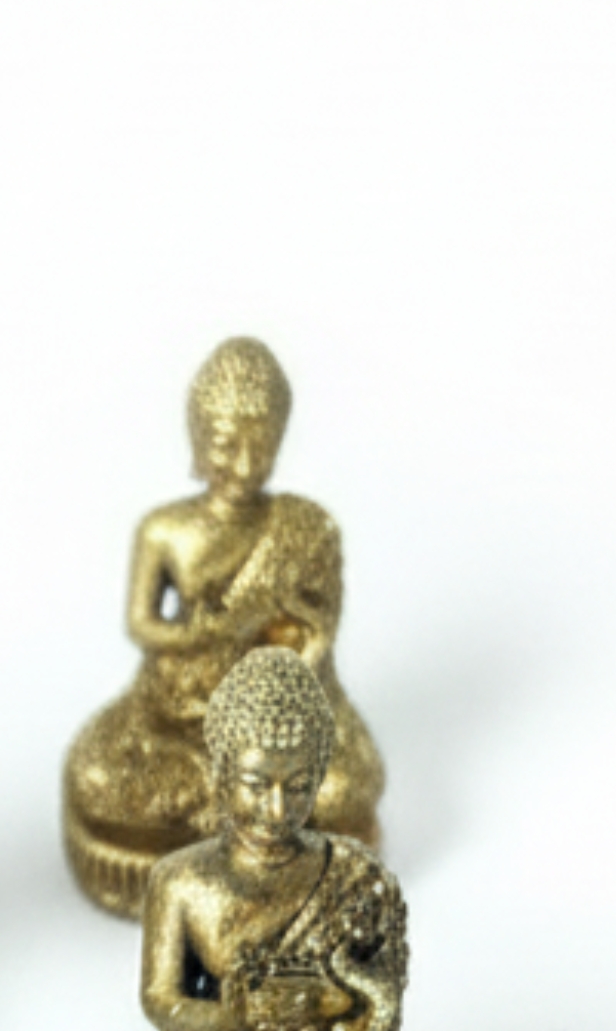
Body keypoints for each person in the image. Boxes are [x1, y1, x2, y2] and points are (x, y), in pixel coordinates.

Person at [80, 647, 460, 1031]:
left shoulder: (352, 878)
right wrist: (241, 1014)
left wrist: (336, 1000)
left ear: (320, 778)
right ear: (221, 772)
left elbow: (379, 1009)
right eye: (257, 785)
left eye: (298, 787)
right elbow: (161, 1002)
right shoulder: (182, 881)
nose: (276, 811)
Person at [63, 338, 383, 913]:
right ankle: (241, 842)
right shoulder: (165, 530)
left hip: (273, 719)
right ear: (198, 439)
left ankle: (250, 829)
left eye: (261, 446)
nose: (243, 464)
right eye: (226, 444)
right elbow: (142, 624)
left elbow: (318, 631)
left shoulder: (303, 528)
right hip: (178, 711)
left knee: (347, 787)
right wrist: (198, 637)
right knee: (99, 778)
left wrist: (294, 661)